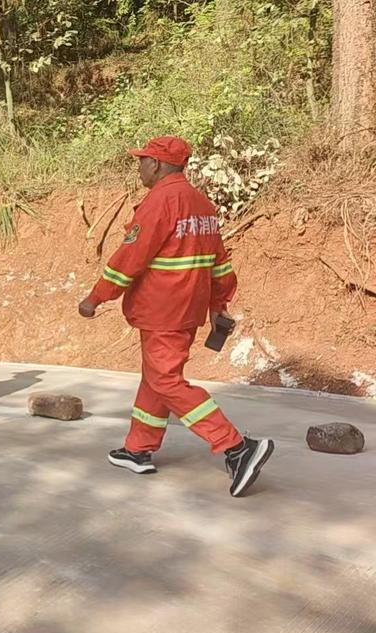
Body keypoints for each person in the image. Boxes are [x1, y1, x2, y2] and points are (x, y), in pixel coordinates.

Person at [79, 135, 273, 498]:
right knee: (156, 378)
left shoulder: (159, 202)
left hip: (161, 310)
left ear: (157, 164)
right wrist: (218, 307)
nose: (139, 167)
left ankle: (236, 447)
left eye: (142, 161)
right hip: (188, 310)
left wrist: (95, 298)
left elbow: (129, 260)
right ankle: (138, 448)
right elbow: (220, 265)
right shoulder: (201, 205)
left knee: (166, 380)